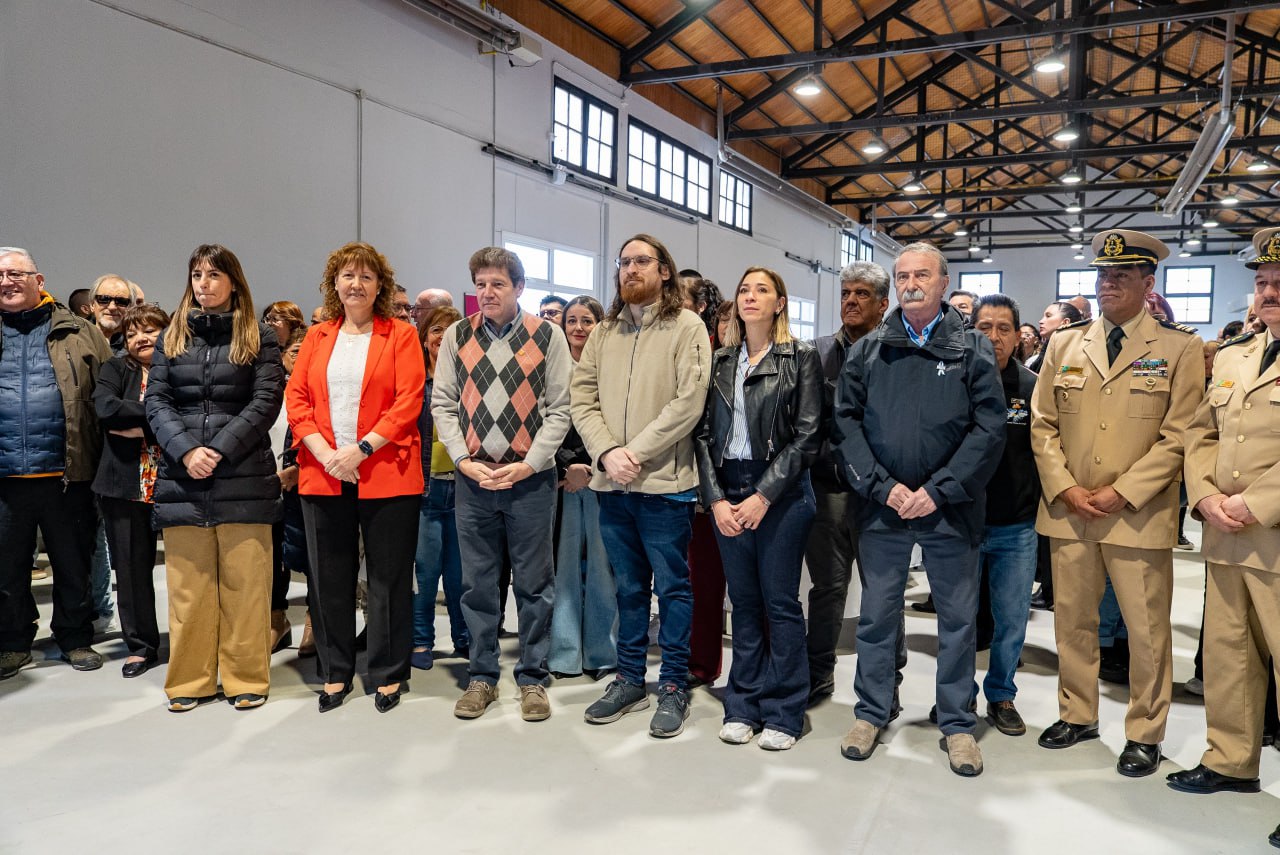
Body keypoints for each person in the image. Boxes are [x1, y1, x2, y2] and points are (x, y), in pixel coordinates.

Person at [1030, 229, 1203, 776]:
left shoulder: (1179, 348)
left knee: (1147, 630)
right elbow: (1042, 424)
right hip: (1071, 509)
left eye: (1121, 275)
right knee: (1073, 622)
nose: (1108, 284)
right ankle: (1077, 713)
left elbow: (1181, 434)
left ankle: (1145, 733)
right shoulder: (1064, 344)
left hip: (1137, 512)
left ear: (1148, 284)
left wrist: (1122, 490)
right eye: (1104, 275)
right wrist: (1065, 486)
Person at [832, 241, 1005, 777]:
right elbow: (846, 423)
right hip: (884, 510)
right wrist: (881, 487)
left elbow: (989, 428)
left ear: (943, 283)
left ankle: (957, 723)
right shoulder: (869, 350)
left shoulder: (972, 349)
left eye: (921, 275)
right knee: (878, 617)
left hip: (950, 510)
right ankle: (872, 711)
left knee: (957, 621)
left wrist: (941, 488)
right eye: (903, 275)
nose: (910, 283)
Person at [571, 233, 711, 738]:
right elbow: (582, 397)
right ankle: (629, 678)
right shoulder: (605, 332)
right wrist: (607, 452)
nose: (630, 269)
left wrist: (636, 452)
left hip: (665, 486)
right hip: (613, 485)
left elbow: (689, 401)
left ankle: (672, 684)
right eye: (624, 262)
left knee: (672, 589)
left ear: (664, 270)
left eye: (642, 261)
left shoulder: (687, 326)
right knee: (628, 589)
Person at [432, 246, 572, 722]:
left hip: (530, 481)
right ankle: (482, 676)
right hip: (474, 480)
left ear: (519, 287)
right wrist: (462, 460)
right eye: (480, 284)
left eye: (498, 284)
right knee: (478, 585)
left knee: (535, 584)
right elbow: (443, 404)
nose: (487, 293)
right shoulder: (457, 335)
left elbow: (560, 409)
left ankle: (532, 677)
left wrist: (530, 464)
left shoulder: (547, 336)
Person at [1169, 228, 1280, 814]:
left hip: (1273, 531)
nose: (1269, 292)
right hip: (1226, 533)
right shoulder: (1237, 353)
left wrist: (1257, 503)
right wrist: (1205, 494)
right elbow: (1201, 432)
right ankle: (1231, 762)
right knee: (1228, 653)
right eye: (1262, 282)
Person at [288, 242, 425, 714]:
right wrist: (327, 454)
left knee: (388, 579)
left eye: (366, 276)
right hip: (324, 471)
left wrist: (361, 449)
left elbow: (408, 402)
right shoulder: (317, 336)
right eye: (348, 275)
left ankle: (388, 672)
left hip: (387, 470)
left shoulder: (401, 335)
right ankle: (334, 670)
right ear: (335, 283)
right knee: (328, 578)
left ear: (380, 285)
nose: (356, 284)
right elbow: (297, 399)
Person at [145, 244, 284, 712]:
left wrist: (218, 450)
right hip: (183, 482)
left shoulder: (260, 336)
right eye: (197, 275)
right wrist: (187, 451)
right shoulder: (171, 336)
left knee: (247, 590)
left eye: (213, 275)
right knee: (189, 592)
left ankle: (246, 679)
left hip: (243, 479)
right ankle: (190, 681)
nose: (203, 283)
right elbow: (156, 403)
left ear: (233, 281)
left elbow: (265, 403)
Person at [695, 267, 821, 751]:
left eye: (761, 290)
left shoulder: (800, 357)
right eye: (744, 289)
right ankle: (742, 705)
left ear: (779, 303)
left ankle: (785, 712)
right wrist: (715, 500)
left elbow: (808, 437)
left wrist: (763, 495)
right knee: (744, 603)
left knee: (779, 603)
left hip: (781, 494)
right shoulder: (721, 360)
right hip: (728, 490)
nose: (750, 297)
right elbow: (703, 435)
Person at [0, 247, 113, 679]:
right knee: (6, 569)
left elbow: (106, 398)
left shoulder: (81, 332)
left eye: (15, 274)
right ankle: (12, 643)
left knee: (72, 563)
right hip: (4, 478)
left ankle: (74, 637)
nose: (6, 282)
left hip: (68, 474)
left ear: (39, 280)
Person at [805, 260, 899, 706]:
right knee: (826, 590)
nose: (851, 301)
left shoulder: (897, 353)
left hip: (881, 494)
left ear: (883, 304)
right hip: (829, 491)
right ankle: (818, 675)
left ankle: (885, 685)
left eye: (862, 294)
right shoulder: (817, 352)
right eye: (846, 293)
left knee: (883, 595)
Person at [969, 294, 1041, 735]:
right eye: (984, 328)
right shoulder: (956, 381)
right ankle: (957, 696)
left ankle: (1001, 695)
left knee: (1011, 619)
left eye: (1003, 329)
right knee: (959, 620)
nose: (994, 337)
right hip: (962, 523)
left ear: (1018, 337)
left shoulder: (1033, 388)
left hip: (1016, 524)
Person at [92, 304, 170, 677]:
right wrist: (161, 421)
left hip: (177, 484)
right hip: (125, 485)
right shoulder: (115, 368)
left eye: (149, 330)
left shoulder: (181, 367)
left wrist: (143, 427)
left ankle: (194, 642)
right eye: (132, 332)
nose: (140, 338)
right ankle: (141, 646)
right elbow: (106, 409)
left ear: (167, 333)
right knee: (131, 570)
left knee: (191, 570)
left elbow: (193, 415)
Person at [548, 295, 617, 678]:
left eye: (586, 320)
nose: (578, 327)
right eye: (571, 320)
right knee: (565, 570)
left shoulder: (611, 368)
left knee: (604, 571)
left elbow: (617, 421)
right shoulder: (552, 368)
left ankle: (602, 653)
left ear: (599, 325)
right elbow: (543, 420)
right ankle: (564, 654)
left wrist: (592, 466)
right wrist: (567, 465)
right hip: (562, 481)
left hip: (603, 478)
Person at [411, 304, 469, 671]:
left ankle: (464, 637)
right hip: (426, 489)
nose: (443, 337)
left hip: (465, 490)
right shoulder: (414, 383)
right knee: (426, 573)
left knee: (462, 575)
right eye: (436, 330)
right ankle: (421, 640)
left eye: (452, 330)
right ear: (425, 338)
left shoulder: (472, 383)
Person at [679, 271, 728, 688]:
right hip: (687, 486)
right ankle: (700, 662)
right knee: (700, 583)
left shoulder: (718, 355)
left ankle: (754, 671)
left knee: (747, 590)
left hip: (733, 486)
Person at [89, 274, 141, 353]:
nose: (112, 307)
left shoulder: (138, 345)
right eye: (104, 299)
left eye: (121, 301)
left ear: (130, 307)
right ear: (92, 305)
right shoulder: (77, 338)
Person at [1027, 301, 1082, 373]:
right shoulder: (1045, 352)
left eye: (1048, 316)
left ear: (1065, 322)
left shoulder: (1078, 353)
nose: (1040, 321)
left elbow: (1076, 372)